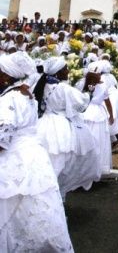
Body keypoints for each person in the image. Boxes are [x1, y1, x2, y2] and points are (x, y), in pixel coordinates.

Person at [0, 52, 73, 252]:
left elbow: (3, 137)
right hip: (33, 156)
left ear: (6, 75)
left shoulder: (9, 99)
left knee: (13, 208)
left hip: (15, 157)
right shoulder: (26, 93)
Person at [35, 56, 98, 200]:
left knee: (48, 163)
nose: (68, 71)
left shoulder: (43, 84)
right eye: (65, 68)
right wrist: (91, 86)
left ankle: (50, 196)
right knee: (62, 164)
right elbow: (82, 104)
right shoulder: (63, 88)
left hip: (45, 125)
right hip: (60, 128)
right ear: (57, 72)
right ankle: (55, 196)